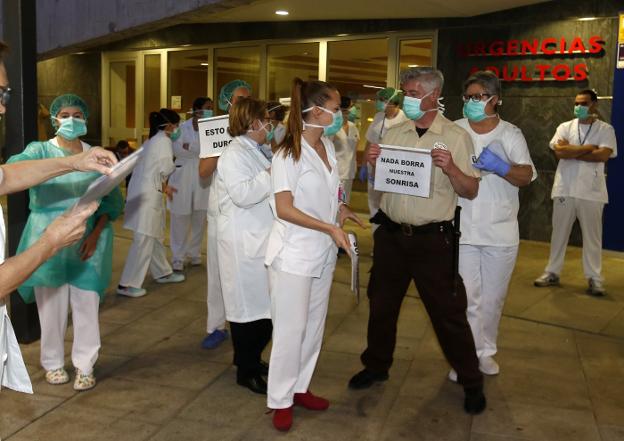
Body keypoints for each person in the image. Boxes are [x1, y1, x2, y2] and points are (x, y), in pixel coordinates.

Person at [348, 67, 487, 415]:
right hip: (392, 235)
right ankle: (376, 365)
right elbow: (383, 184)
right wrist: (372, 164)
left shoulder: (455, 136)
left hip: (432, 241)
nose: (405, 99)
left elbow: (470, 190)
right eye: (404, 92)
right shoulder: (395, 132)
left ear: (432, 94)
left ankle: (472, 380)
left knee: (448, 313)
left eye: (411, 93)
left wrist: (452, 168)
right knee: (381, 305)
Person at [0, 41, 118, 393]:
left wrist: (76, 161)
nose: (3, 108)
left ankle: (85, 363)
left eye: (5, 93)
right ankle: (52, 362)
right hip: (51, 236)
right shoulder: (38, 148)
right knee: (50, 308)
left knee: (84, 304)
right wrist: (49, 242)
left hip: (77, 238)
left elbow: (6, 177)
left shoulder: (84, 153)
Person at [265, 78, 363, 432]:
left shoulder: (328, 149)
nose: (341, 114)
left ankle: (300, 386)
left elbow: (329, 191)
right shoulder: (287, 152)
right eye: (336, 109)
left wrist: (342, 208)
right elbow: (284, 208)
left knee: (314, 326)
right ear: (317, 111)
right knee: (291, 329)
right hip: (293, 253)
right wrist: (329, 229)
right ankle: (280, 399)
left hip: (320, 252)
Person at [452, 71, 536, 380]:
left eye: (478, 97)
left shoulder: (510, 134)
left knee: (491, 300)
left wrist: (501, 167)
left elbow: (526, 176)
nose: (471, 102)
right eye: (467, 97)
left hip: (500, 231)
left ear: (495, 99)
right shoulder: (454, 129)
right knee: (466, 297)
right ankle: (465, 358)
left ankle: (485, 353)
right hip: (462, 228)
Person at [214, 97, 274, 394]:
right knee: (247, 312)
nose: (270, 125)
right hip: (242, 242)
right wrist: (271, 174)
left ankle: (251, 359)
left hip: (258, 238)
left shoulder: (256, 150)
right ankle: (246, 370)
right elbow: (242, 194)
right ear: (253, 123)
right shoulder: (235, 153)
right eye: (266, 119)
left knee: (262, 310)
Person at [534, 89, 617, 296]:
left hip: (592, 191)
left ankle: (594, 279)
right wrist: (588, 147)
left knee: (593, 237)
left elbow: (603, 156)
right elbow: (559, 152)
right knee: (559, 233)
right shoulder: (565, 127)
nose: (579, 107)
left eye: (584, 103)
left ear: (594, 105)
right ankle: (552, 272)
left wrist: (572, 152)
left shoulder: (605, 129)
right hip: (565, 188)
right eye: (577, 103)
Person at [198, 79, 252, 349]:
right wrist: (224, 147)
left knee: (245, 272)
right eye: (238, 100)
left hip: (249, 212)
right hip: (220, 211)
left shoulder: (254, 128)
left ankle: (246, 322)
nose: (242, 105)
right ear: (227, 103)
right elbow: (203, 172)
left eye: (247, 99)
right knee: (218, 272)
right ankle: (217, 325)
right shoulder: (215, 129)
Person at [117, 109, 186, 297]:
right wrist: (174, 167)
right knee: (144, 239)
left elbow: (151, 170)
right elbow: (164, 168)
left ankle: (163, 273)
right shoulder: (163, 141)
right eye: (177, 125)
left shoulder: (151, 141)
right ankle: (127, 284)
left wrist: (165, 188)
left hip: (143, 193)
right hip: (147, 197)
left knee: (153, 236)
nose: (178, 129)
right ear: (169, 126)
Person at [168, 97, 213, 271]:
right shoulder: (180, 127)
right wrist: (197, 147)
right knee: (180, 216)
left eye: (211, 108)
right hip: (182, 174)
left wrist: (190, 146)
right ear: (196, 110)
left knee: (200, 216)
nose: (210, 111)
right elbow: (176, 149)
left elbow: (210, 149)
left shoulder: (211, 129)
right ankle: (177, 257)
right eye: (207, 108)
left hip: (203, 174)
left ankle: (194, 253)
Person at [362, 87, 407, 233]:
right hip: (373, 168)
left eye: (384, 101)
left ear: (396, 104)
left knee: (390, 206)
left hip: (393, 170)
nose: (380, 104)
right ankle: (377, 240)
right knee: (374, 205)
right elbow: (369, 142)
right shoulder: (378, 117)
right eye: (380, 100)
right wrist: (364, 165)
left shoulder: (405, 121)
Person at [332, 96, 360, 204]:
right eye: (345, 110)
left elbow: (355, 147)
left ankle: (340, 221)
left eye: (349, 110)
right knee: (336, 204)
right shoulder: (333, 129)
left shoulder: (353, 127)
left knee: (344, 203)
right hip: (336, 173)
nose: (348, 113)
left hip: (349, 173)